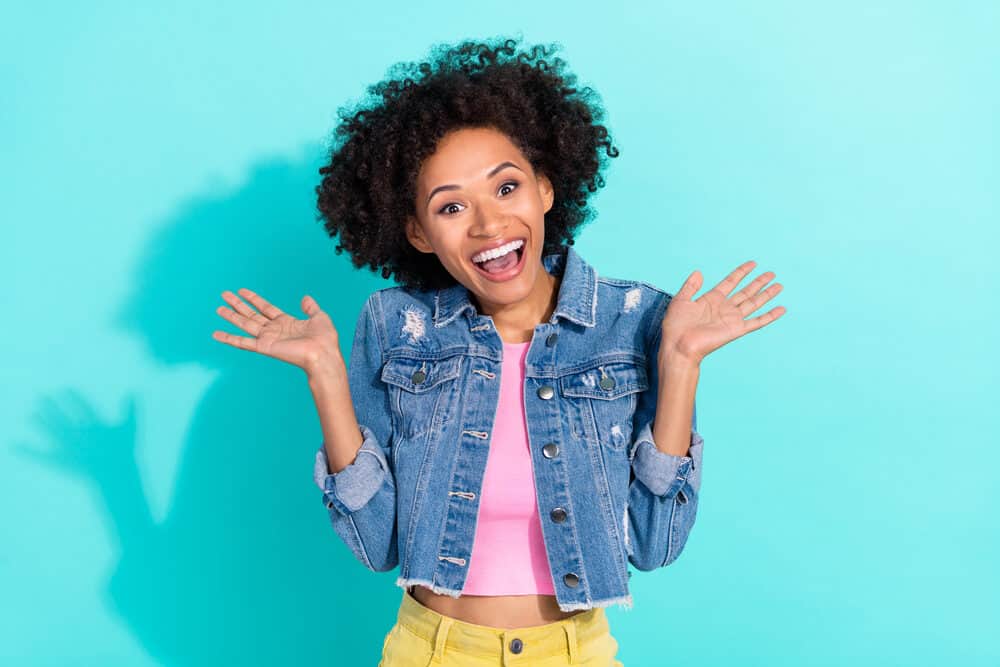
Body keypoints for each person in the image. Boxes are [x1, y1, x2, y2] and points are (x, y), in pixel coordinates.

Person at [212, 36, 786, 667]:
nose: (486, 224)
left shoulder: (637, 322)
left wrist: (679, 366)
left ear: (545, 187)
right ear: (417, 233)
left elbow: (655, 545)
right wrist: (325, 376)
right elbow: (377, 546)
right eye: (451, 206)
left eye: (506, 188)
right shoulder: (394, 325)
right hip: (430, 650)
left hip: (575, 652)